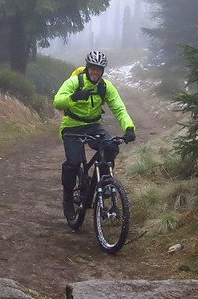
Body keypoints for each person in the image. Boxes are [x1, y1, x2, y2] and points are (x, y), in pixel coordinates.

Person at [53, 50, 136, 219]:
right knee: (74, 162)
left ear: (102, 71)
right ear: (87, 68)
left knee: (110, 146)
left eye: (99, 69)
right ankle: (68, 197)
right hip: (72, 126)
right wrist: (73, 98)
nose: (95, 72)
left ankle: (104, 181)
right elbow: (57, 102)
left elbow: (119, 109)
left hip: (93, 126)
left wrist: (129, 128)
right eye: (92, 68)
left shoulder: (105, 87)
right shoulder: (74, 82)